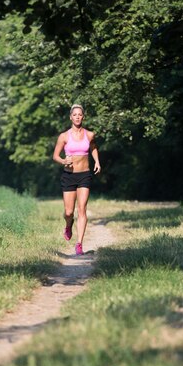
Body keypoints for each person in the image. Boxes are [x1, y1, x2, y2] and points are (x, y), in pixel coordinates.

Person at [53, 104, 101, 255]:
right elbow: (55, 156)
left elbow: (93, 148)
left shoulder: (90, 135)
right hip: (69, 176)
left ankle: (79, 244)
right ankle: (68, 225)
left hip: (84, 175)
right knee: (68, 212)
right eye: (75, 115)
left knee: (82, 209)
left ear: (83, 117)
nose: (77, 117)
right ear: (70, 117)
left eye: (80, 114)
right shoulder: (64, 136)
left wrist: (97, 161)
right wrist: (63, 161)